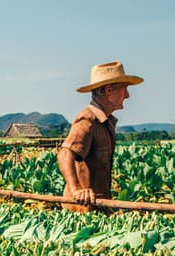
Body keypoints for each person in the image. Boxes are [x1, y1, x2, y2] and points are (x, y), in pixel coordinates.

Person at [57, 61, 143, 212]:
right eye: (124, 89)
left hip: (99, 205)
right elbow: (65, 154)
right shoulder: (88, 119)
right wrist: (77, 190)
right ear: (109, 90)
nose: (127, 95)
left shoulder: (106, 122)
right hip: (81, 209)